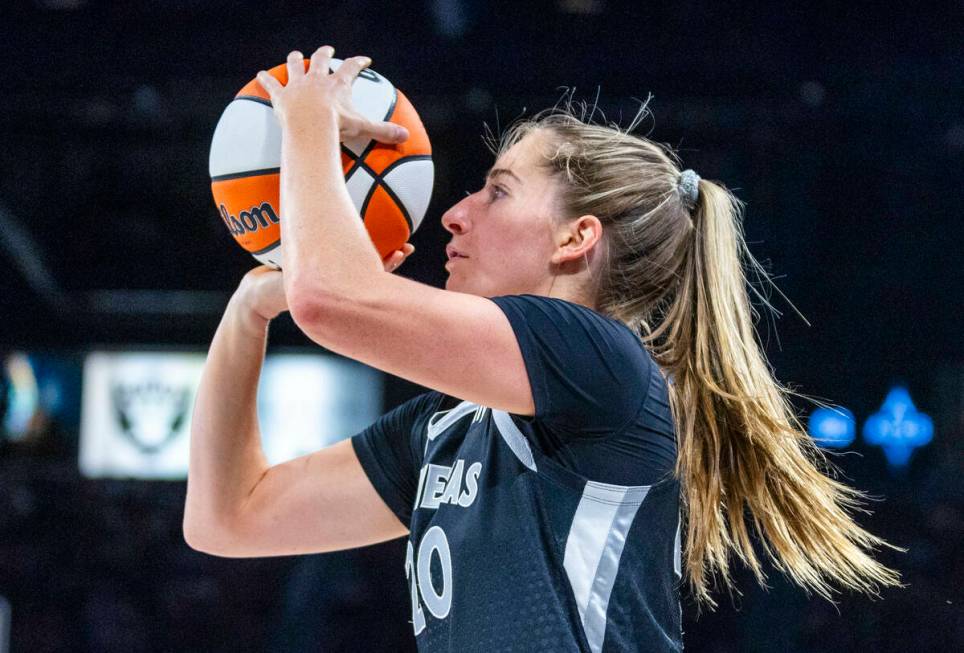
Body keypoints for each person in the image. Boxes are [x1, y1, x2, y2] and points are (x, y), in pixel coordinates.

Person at [183, 47, 900, 652]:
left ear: (574, 239)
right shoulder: (448, 425)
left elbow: (328, 302)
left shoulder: (603, 362)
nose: (454, 215)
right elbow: (228, 516)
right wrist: (248, 314)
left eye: (496, 192)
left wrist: (306, 123)